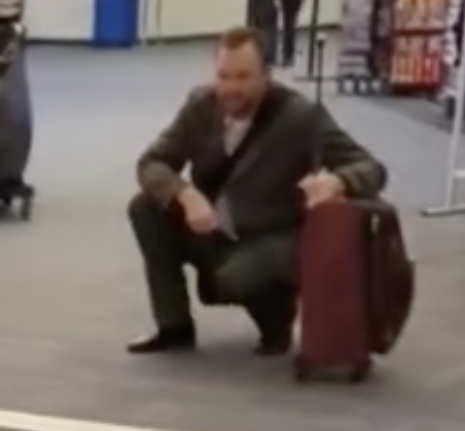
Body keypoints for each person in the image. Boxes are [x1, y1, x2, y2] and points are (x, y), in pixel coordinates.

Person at [126, 25, 387, 356]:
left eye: (243, 77)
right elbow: (151, 162)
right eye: (224, 76)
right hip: (216, 225)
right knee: (146, 207)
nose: (230, 88)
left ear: (266, 74)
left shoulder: (299, 117)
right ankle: (174, 326)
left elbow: (370, 168)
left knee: (236, 276)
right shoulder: (200, 106)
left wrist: (339, 181)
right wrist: (186, 194)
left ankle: (276, 319)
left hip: (273, 236)